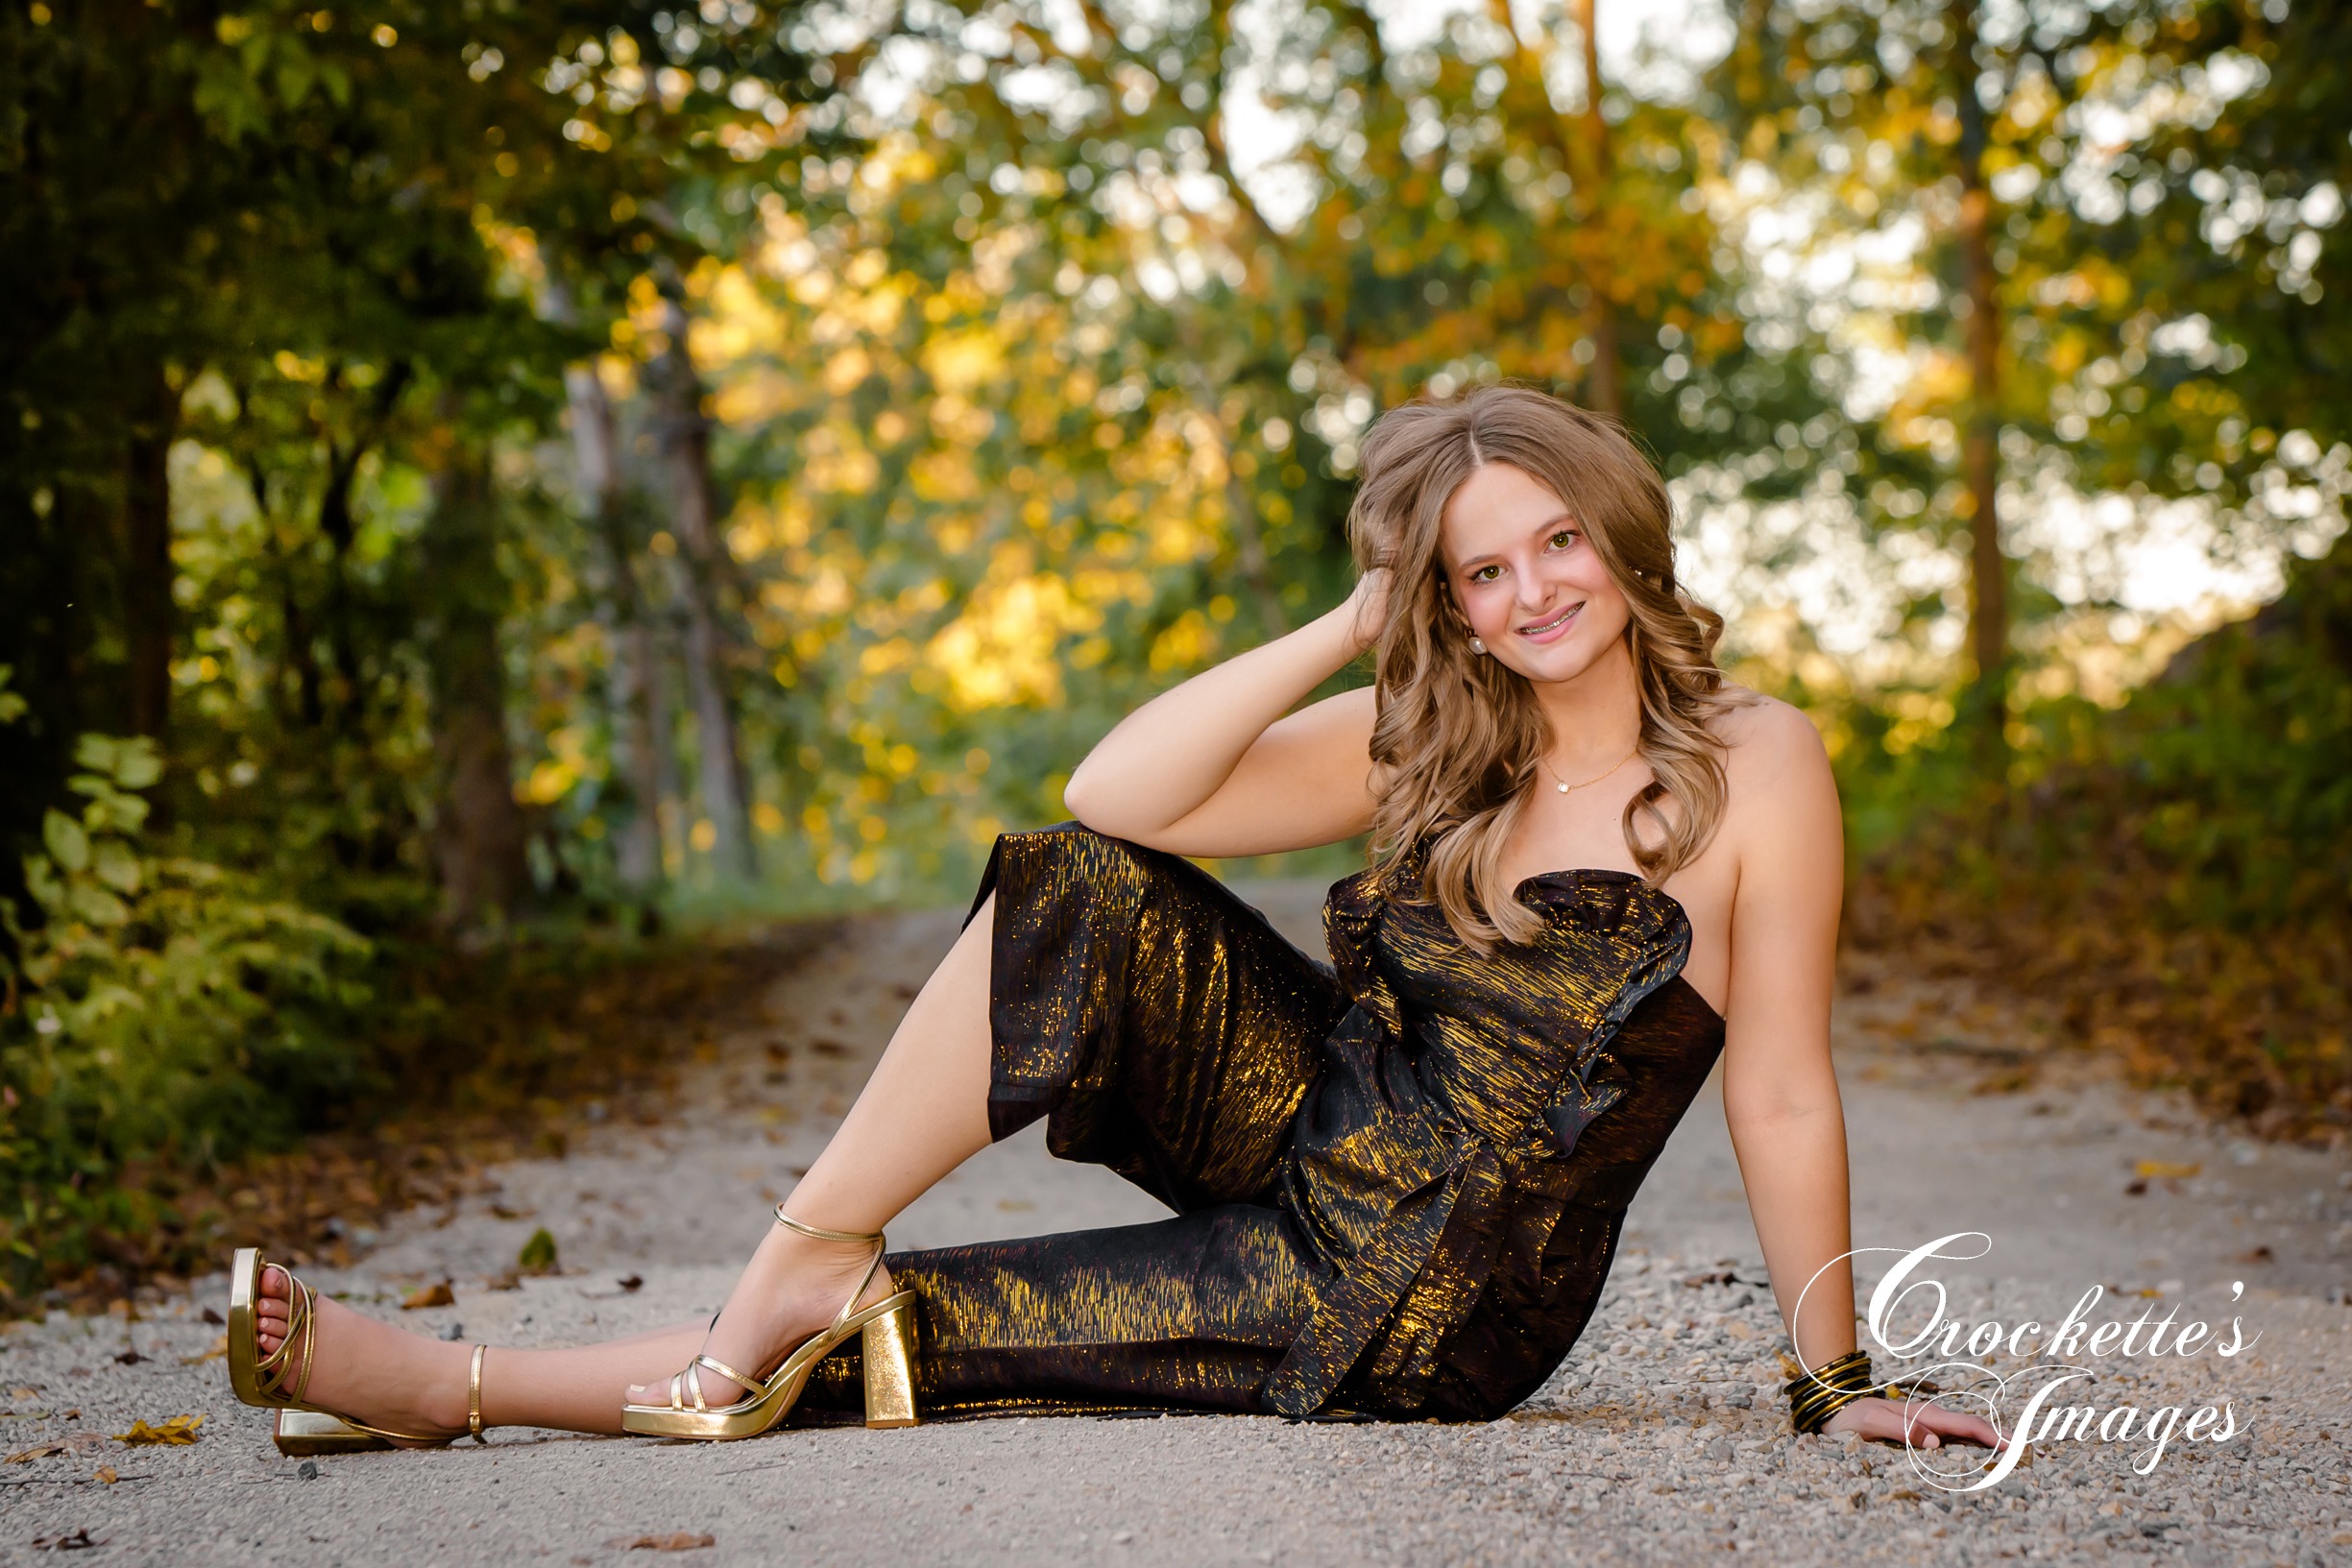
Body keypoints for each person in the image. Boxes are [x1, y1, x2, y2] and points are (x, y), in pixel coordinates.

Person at [225, 384, 2002, 1457]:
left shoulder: (1758, 762)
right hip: (1312, 1141)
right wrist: (1346, 622)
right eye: (1479, 566)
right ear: (1442, 598)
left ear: (1619, 539)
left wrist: (1828, 1374)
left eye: (1555, 543)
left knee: (924, 1337)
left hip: (1423, 1296)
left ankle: (454, 1382)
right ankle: (802, 1243)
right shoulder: (1431, 733)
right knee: (1073, 886)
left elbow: (1778, 1090)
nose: (1530, 590)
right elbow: (1118, 795)